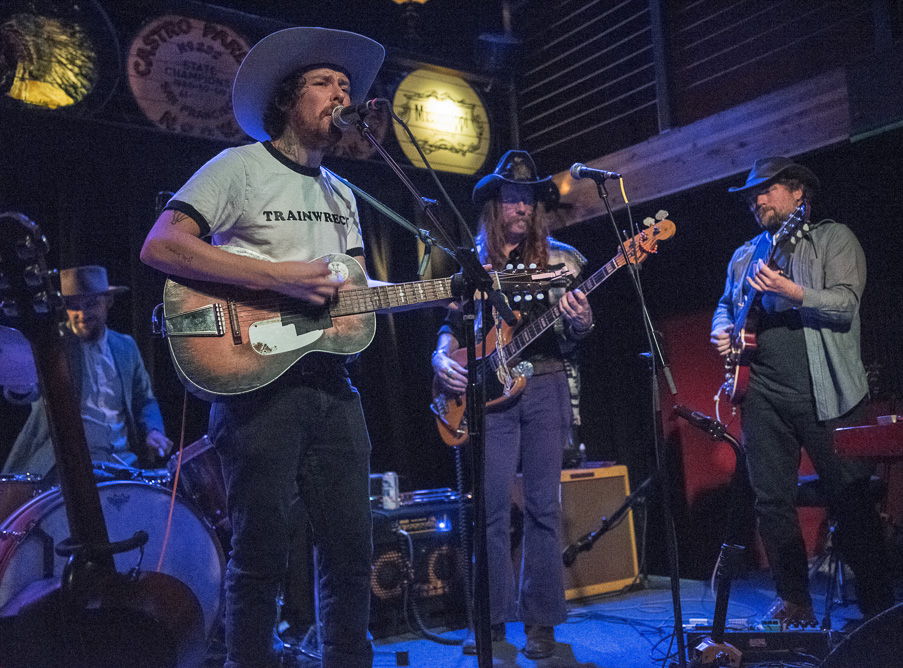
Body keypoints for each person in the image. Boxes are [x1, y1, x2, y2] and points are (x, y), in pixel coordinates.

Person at [140, 27, 396, 668]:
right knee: (259, 555)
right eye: (324, 83)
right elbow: (162, 245)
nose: (340, 93)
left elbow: (354, 288)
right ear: (288, 98)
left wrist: (444, 290)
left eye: (346, 85)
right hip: (255, 383)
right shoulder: (240, 168)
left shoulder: (344, 192)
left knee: (349, 550)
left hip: (332, 387)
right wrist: (277, 276)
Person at [710, 156, 893, 625]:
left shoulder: (834, 238)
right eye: (753, 194)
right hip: (763, 392)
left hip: (826, 389)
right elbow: (725, 307)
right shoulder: (745, 254)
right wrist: (723, 329)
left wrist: (792, 291)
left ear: (797, 195)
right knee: (770, 499)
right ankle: (794, 600)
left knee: (849, 498)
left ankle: (880, 608)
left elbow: (846, 305)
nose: (757, 199)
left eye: (767, 189)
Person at [432, 150, 593, 659]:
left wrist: (583, 319)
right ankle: (492, 620)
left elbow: (574, 335)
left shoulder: (564, 261)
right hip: (491, 396)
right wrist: (440, 358)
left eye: (528, 199)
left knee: (545, 507)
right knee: (492, 510)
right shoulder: (473, 264)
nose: (521, 208)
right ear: (494, 205)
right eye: (512, 198)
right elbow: (450, 326)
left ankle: (541, 624)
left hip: (545, 385)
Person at [2, 265, 172, 479]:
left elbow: (144, 400)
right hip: (63, 466)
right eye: (73, 306)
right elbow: (30, 389)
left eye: (91, 304)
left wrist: (154, 431)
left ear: (108, 302)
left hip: (123, 462)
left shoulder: (126, 346)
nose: (82, 314)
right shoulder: (52, 344)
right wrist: (19, 385)